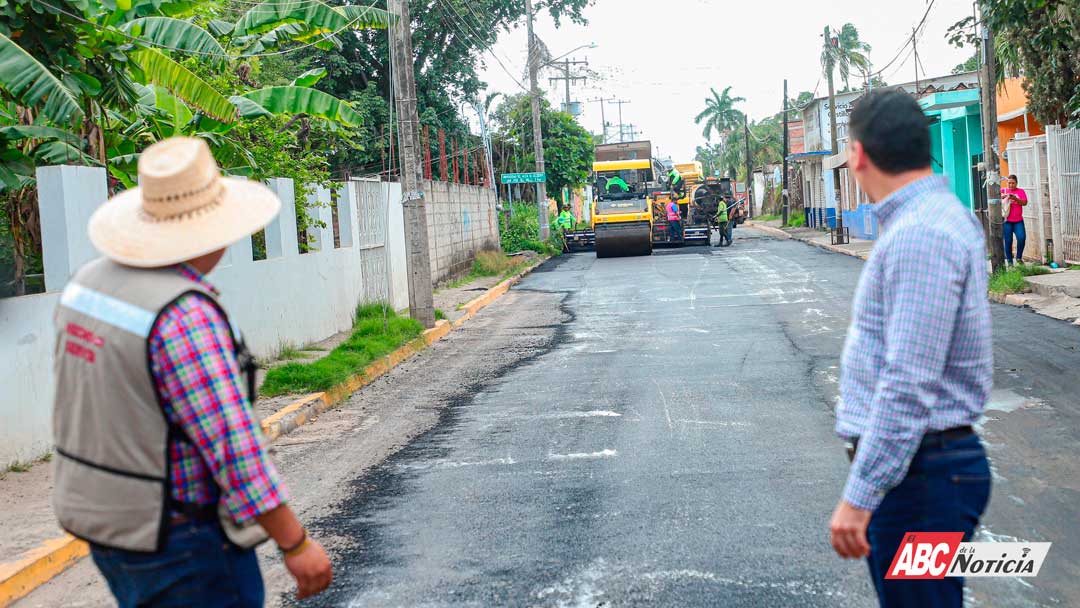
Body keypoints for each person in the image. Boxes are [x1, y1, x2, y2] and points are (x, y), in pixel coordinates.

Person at [52, 137, 333, 607]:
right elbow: (233, 447)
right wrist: (296, 543)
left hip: (107, 528)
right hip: (181, 541)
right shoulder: (183, 315)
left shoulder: (87, 285)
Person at [827, 90, 992, 608]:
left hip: (922, 480)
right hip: (924, 472)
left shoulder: (920, 233)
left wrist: (860, 496)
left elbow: (908, 381)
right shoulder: (933, 219)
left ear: (857, 155)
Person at [1001, 174, 1028, 265]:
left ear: (1016, 183)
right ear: (1007, 183)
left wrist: (1015, 198)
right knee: (1008, 241)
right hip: (1006, 221)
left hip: (1018, 221)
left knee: (1022, 238)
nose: (1011, 185)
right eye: (1009, 183)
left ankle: (1019, 257)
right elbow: (995, 201)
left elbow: (1024, 203)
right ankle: (1009, 261)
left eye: (1013, 183)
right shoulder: (1003, 190)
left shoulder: (1020, 191)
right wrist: (1002, 197)